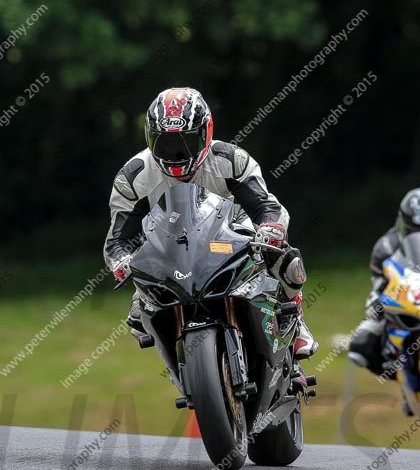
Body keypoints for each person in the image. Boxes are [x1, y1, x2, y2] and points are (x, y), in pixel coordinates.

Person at [104, 86, 318, 359]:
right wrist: (122, 262)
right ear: (149, 138)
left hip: (232, 241)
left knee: (285, 259)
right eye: (165, 143)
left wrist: (270, 229)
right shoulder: (133, 176)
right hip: (169, 253)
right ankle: (180, 364)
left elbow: (266, 206)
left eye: (185, 143)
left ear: (205, 134)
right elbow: (117, 240)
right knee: (138, 314)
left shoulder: (230, 160)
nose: (175, 154)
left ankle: (295, 320)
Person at [349, 186, 420, 375]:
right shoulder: (385, 247)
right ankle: (403, 371)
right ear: (403, 222)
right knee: (362, 344)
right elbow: (378, 288)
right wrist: (372, 320)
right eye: (413, 229)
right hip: (409, 303)